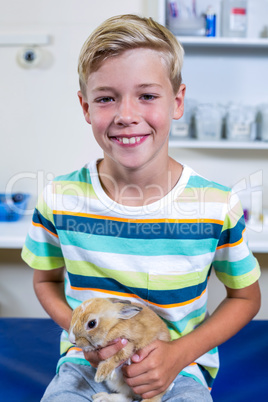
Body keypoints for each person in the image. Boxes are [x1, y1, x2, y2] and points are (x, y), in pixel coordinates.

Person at [22, 14, 261, 402]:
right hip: (86, 366)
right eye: (106, 98)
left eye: (147, 96)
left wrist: (179, 354)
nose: (126, 115)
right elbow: (45, 281)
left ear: (177, 101)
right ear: (85, 107)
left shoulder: (217, 205)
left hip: (176, 369)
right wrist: (86, 337)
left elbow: (246, 298)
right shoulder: (58, 198)